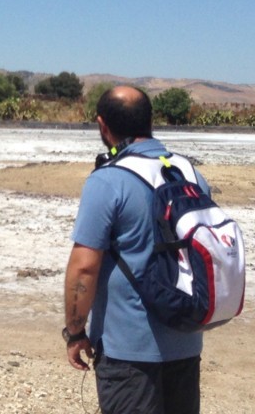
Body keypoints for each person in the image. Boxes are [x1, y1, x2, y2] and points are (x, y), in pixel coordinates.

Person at [63, 86, 207, 413]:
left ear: (103, 125)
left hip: (126, 351)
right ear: (149, 121)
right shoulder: (190, 173)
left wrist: (75, 331)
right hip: (186, 338)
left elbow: (84, 267)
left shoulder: (107, 180)